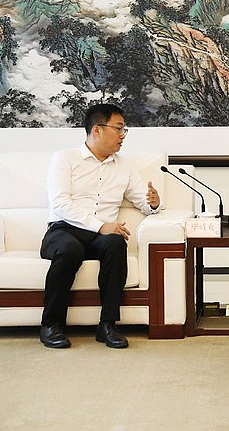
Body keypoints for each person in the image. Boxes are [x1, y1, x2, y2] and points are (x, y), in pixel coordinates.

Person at [39, 104, 161, 349]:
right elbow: (60, 204)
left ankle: (107, 325)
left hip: (101, 237)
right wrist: (100, 225)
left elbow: (142, 201)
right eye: (118, 129)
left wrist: (153, 203)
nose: (123, 135)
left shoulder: (124, 166)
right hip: (65, 229)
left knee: (116, 243)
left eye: (124, 130)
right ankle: (51, 324)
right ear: (97, 129)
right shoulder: (65, 159)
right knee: (69, 250)